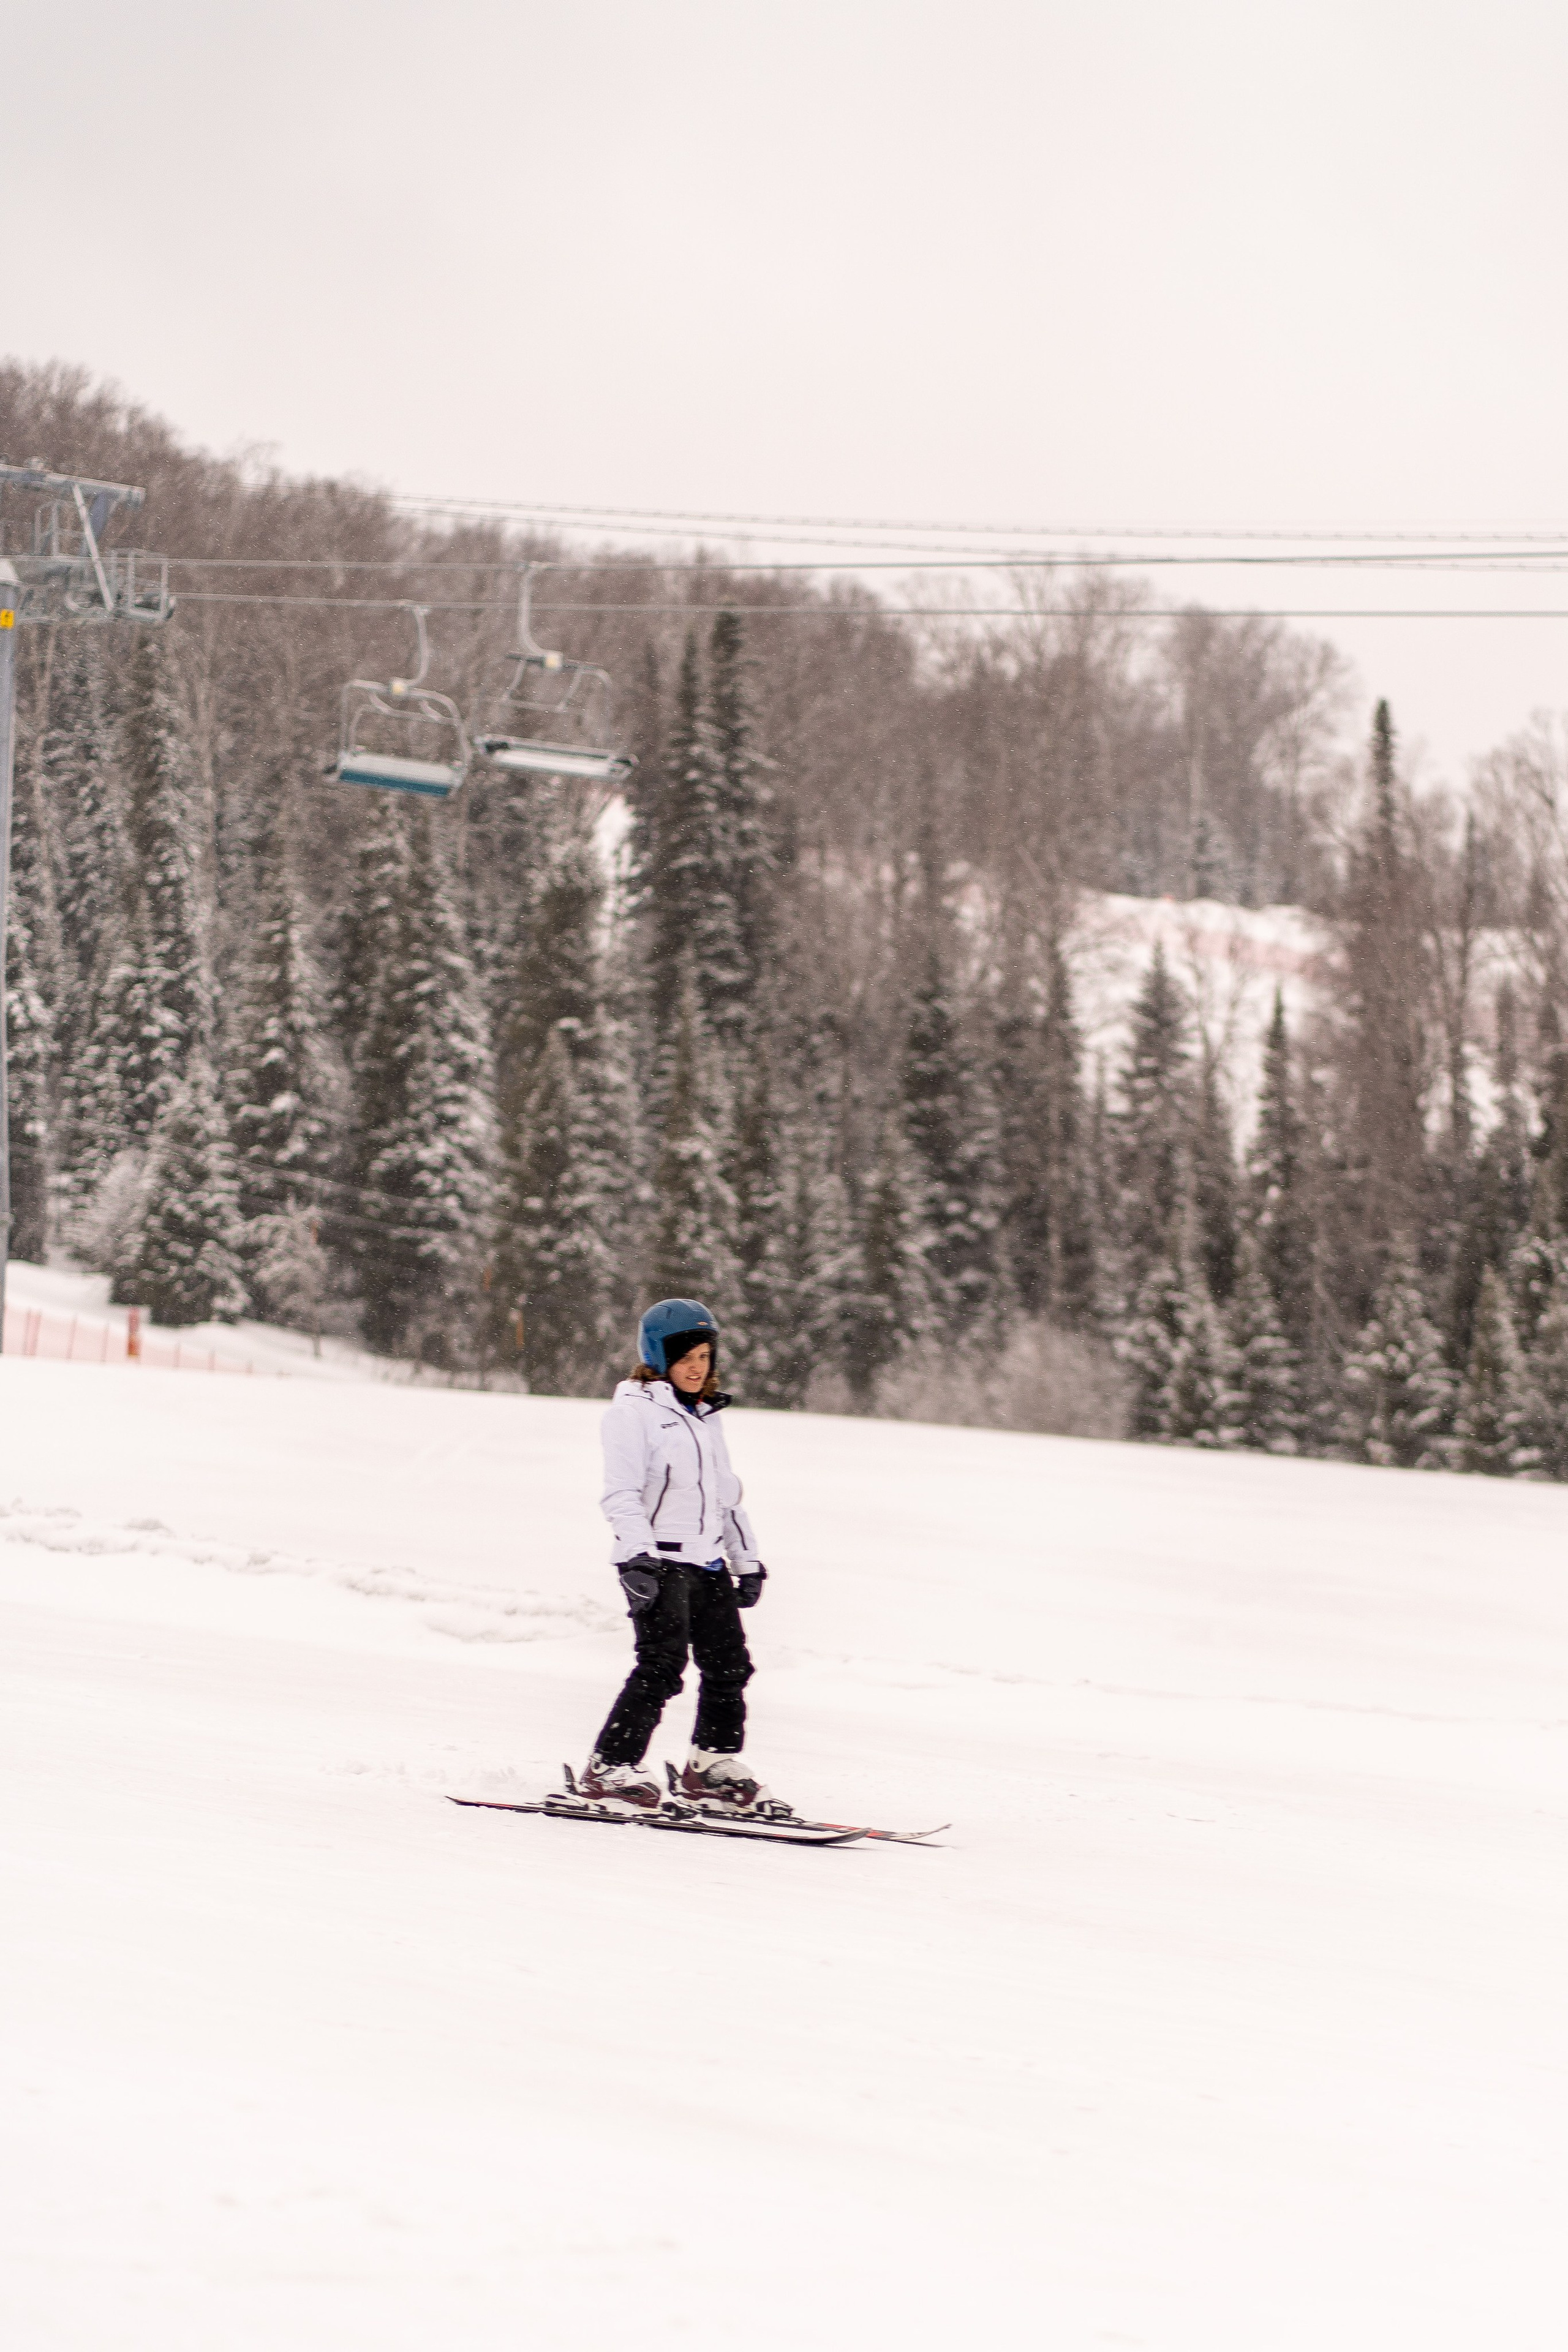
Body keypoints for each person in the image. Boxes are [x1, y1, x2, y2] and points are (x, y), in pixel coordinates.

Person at [580, 1297, 782, 1815]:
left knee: (730, 1667)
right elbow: (621, 1495)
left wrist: (746, 1560)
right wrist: (638, 1557)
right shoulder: (633, 1415)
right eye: (686, 1357)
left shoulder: (706, 1418)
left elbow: (724, 1496)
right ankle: (610, 1766)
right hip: (658, 1561)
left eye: (705, 1357)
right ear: (658, 1355)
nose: (697, 1368)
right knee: (662, 1666)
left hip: (708, 1562)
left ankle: (710, 1765)